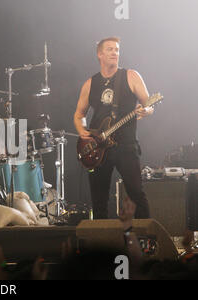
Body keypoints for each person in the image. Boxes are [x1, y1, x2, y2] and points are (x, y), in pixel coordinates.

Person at [73, 37, 153, 219]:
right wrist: (83, 133)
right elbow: (79, 115)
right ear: (99, 54)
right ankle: (102, 242)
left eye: (117, 49)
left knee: (136, 193)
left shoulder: (131, 76)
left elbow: (148, 104)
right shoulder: (90, 83)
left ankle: (147, 240)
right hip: (99, 148)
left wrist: (146, 110)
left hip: (126, 146)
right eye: (110, 49)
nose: (114, 53)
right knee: (99, 198)